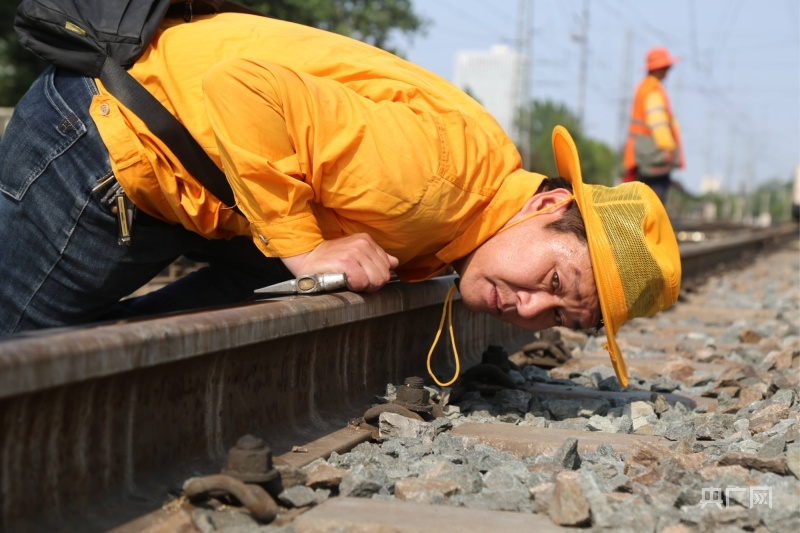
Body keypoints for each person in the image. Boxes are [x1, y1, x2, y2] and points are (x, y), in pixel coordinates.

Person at [0, 13, 681, 386]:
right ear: (544, 204)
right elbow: (244, 88)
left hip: (172, 168)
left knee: (105, 354)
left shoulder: (470, 208)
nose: (528, 307)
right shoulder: (434, 184)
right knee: (17, 353)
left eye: (559, 316)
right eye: (554, 279)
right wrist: (304, 246)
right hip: (103, 145)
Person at [623, 46, 685, 203]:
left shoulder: (644, 88)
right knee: (655, 202)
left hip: (641, 154)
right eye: (666, 67)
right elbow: (659, 124)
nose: (668, 70)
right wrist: (669, 150)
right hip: (652, 156)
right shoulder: (653, 91)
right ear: (660, 68)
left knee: (641, 200)